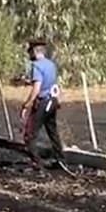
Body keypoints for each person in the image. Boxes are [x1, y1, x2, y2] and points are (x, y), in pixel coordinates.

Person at [20, 38, 67, 170]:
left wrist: (27, 104)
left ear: (34, 52)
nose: (29, 55)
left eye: (30, 52)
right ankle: (60, 159)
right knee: (52, 131)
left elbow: (37, 88)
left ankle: (37, 163)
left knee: (30, 135)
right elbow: (51, 82)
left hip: (43, 102)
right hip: (53, 101)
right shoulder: (51, 64)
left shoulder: (37, 66)